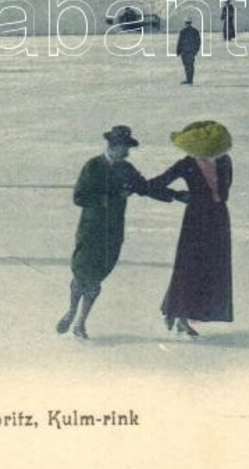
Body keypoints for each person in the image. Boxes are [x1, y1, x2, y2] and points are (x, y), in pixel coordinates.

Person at [56, 125, 178, 339]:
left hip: (112, 232)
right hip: (91, 230)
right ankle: (72, 310)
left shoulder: (126, 169)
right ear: (114, 146)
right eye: (125, 147)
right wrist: (112, 197)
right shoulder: (93, 166)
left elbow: (145, 188)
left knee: (97, 278)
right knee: (82, 273)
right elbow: (79, 197)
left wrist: (175, 195)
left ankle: (81, 322)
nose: (128, 152)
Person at [149, 121, 233, 337]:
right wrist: (177, 195)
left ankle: (181, 314)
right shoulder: (187, 164)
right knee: (190, 267)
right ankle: (181, 316)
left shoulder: (225, 161)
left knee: (211, 268)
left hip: (218, 218)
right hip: (196, 219)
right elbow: (156, 184)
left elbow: (223, 192)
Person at [176, 17, 201, 84]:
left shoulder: (183, 31)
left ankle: (189, 79)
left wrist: (178, 51)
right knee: (189, 65)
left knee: (188, 66)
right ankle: (189, 79)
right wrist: (196, 50)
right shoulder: (195, 31)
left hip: (185, 51)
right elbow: (198, 42)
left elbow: (180, 42)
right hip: (190, 51)